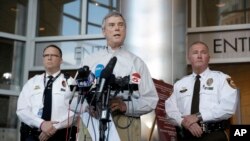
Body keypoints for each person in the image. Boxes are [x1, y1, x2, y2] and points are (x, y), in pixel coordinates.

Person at [77, 11, 159, 141]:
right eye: (112, 25)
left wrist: (125, 106)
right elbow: (75, 96)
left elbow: (151, 99)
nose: (117, 28)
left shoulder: (136, 62)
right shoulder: (89, 60)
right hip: (92, 122)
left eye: (121, 25)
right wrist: (88, 107)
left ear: (125, 30)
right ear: (104, 31)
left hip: (124, 123)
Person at [165, 41, 238, 141]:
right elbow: (170, 109)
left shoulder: (222, 79)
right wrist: (183, 121)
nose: (199, 56)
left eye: (203, 52)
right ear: (189, 58)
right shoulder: (180, 84)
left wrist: (198, 116)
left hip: (214, 136)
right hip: (186, 136)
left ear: (209, 57)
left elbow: (228, 107)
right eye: (195, 53)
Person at [16, 44, 77, 141]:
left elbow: (76, 111)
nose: (49, 58)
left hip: (60, 134)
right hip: (33, 134)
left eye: (53, 55)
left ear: (61, 60)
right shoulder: (32, 82)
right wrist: (41, 124)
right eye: (46, 55)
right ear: (43, 59)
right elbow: (22, 110)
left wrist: (54, 127)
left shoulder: (70, 82)